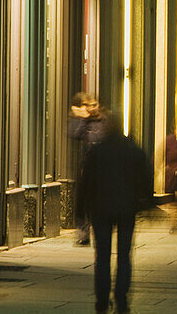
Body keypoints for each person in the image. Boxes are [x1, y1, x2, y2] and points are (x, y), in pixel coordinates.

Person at [76, 113, 153, 314]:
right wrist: (148, 204)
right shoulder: (134, 151)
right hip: (126, 209)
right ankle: (121, 298)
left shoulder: (97, 152)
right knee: (124, 256)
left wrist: (80, 211)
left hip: (100, 210)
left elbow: (85, 183)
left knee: (102, 256)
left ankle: (101, 300)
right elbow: (145, 179)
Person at [67, 93, 107, 245]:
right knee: (83, 202)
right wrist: (83, 119)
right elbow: (74, 134)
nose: (91, 108)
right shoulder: (83, 121)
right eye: (88, 105)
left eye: (94, 105)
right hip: (87, 167)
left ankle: (99, 230)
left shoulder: (105, 121)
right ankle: (84, 233)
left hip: (103, 168)